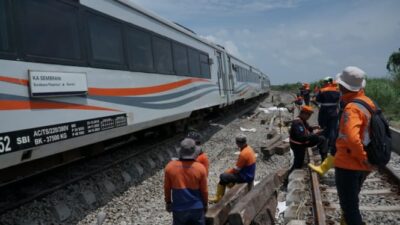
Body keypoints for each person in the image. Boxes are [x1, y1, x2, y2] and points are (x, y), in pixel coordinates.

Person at [334, 66, 373, 225]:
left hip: (349, 165)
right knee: (351, 203)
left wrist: (362, 157)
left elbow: (351, 137)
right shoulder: (368, 102)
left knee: (350, 208)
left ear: (343, 87)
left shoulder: (352, 107)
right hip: (360, 166)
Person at [164, 138, 208, 225]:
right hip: (197, 207)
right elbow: (204, 190)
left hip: (179, 208)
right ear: (194, 153)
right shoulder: (200, 168)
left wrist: (168, 202)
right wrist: (205, 204)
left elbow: (167, 188)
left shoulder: (169, 167)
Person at [209, 134, 256, 203]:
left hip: (245, 177)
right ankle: (220, 196)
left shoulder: (244, 154)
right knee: (226, 177)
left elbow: (236, 170)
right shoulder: (249, 148)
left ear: (237, 143)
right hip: (249, 174)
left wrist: (227, 172)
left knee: (223, 176)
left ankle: (218, 198)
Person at [308, 76, 341, 173]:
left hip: (324, 112)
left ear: (328, 82)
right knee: (333, 129)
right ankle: (331, 146)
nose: (324, 83)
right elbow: (340, 101)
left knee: (323, 128)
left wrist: (318, 103)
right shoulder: (337, 90)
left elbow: (317, 100)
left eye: (325, 81)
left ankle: (324, 147)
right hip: (334, 112)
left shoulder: (323, 90)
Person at [288, 105, 326, 176]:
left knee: (322, 140)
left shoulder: (303, 120)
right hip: (298, 145)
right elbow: (302, 137)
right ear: (303, 113)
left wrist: (314, 128)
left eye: (310, 115)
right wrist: (314, 134)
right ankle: (288, 178)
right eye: (308, 115)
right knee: (298, 163)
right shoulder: (297, 123)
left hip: (302, 143)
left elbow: (307, 128)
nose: (309, 117)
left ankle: (324, 162)